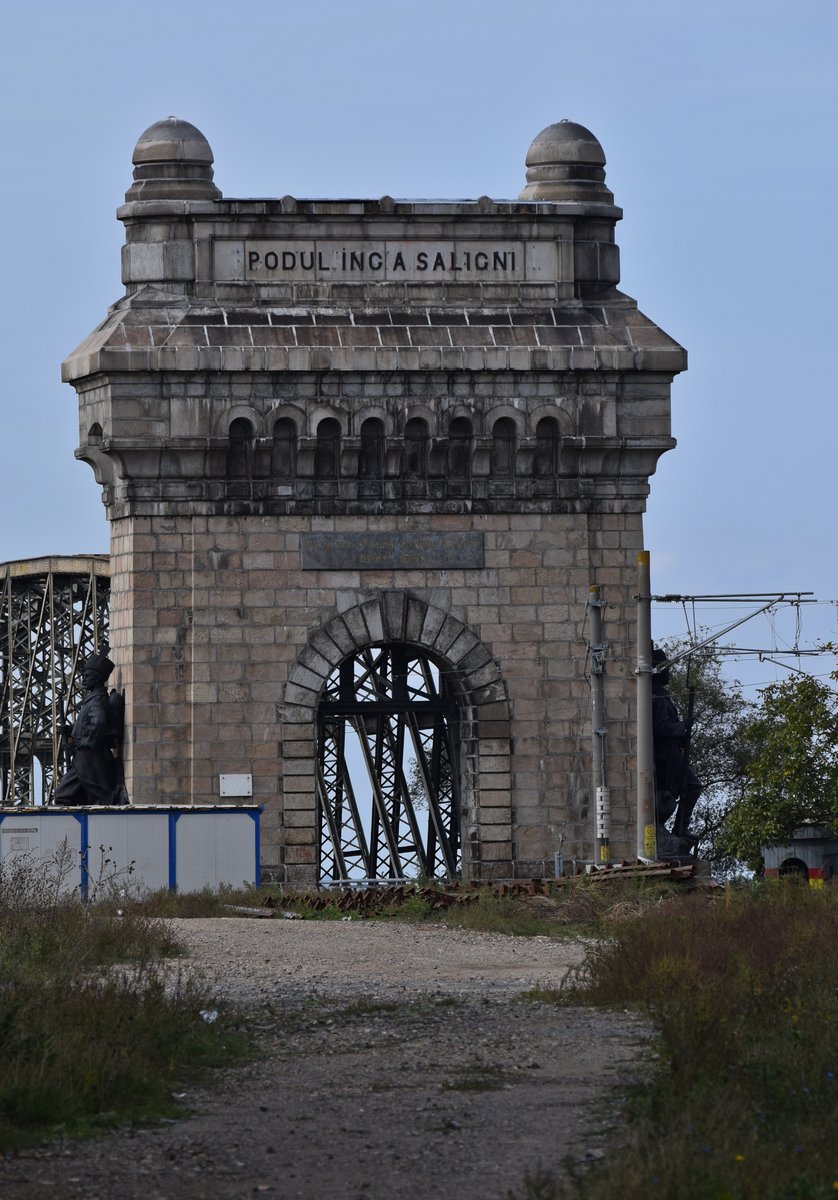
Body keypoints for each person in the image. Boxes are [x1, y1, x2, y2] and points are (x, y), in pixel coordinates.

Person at [54, 652, 126, 806]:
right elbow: (88, 725)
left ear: (98, 678)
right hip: (85, 757)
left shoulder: (97, 701)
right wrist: (71, 730)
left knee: (66, 794)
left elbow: (99, 722)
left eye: (87, 675)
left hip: (89, 757)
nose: (83, 679)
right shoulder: (94, 699)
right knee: (84, 795)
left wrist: (86, 741)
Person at [651, 646, 701, 855]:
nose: (669, 672)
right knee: (692, 786)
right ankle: (680, 829)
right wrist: (682, 726)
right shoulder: (654, 695)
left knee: (691, 787)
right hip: (666, 756)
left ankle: (681, 829)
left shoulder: (662, 694)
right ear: (657, 670)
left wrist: (683, 731)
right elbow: (659, 727)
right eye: (666, 668)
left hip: (672, 752)